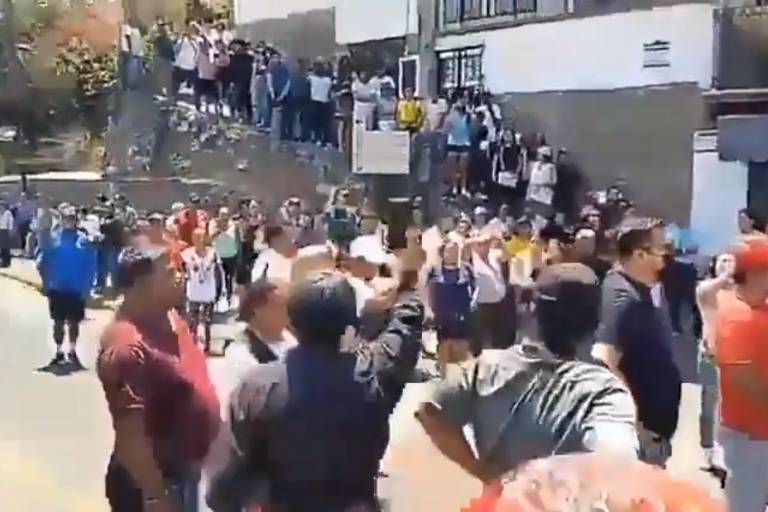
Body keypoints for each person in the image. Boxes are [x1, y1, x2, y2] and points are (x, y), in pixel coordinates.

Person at [209, 268, 424, 511]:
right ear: (348, 324)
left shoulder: (256, 386)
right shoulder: (373, 374)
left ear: (291, 321)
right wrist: (407, 293)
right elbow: (403, 334)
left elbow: (232, 477)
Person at [418, 263, 638, 489]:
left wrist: (479, 471)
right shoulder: (602, 390)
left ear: (536, 312)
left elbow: (430, 412)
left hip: (503, 498)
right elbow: (617, 462)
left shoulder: (484, 367)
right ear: (596, 320)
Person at [97, 247, 220, 512]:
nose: (181, 276)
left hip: (186, 474)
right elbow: (131, 434)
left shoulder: (172, 319)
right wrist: (154, 496)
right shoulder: (126, 347)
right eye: (170, 272)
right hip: (157, 484)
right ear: (142, 282)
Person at [592, 218, 682, 467]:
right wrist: (634, 421)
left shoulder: (636, 290)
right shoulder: (624, 299)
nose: (667, 257)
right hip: (641, 437)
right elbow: (603, 357)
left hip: (650, 431)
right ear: (640, 255)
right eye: (662, 250)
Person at [712, 240, 768, 512]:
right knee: (746, 506)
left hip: (760, 433)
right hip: (750, 437)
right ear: (756, 274)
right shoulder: (737, 316)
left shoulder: (758, 308)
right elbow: (740, 374)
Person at [38, 206, 97, 367]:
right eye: (66, 218)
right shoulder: (54, 239)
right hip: (57, 288)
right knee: (58, 322)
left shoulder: (83, 241)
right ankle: (58, 351)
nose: (69, 221)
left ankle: (72, 350)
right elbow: (43, 262)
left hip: (76, 289)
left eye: (72, 218)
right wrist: (46, 283)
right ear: (62, 220)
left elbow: (90, 266)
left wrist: (87, 288)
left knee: (74, 323)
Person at [695, 252, 734, 483]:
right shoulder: (706, 289)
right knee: (710, 404)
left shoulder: (742, 292)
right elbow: (708, 290)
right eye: (723, 261)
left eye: (731, 260)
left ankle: (727, 452)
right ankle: (709, 448)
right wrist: (728, 276)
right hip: (710, 355)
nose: (728, 264)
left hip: (736, 356)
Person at [427, 240, 474, 374]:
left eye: (455, 250)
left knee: (462, 356)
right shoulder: (434, 271)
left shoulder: (466, 270)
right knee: (444, 353)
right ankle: (444, 379)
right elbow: (428, 291)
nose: (453, 253)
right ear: (442, 253)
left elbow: (474, 289)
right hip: (443, 319)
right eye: (449, 250)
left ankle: (461, 380)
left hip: (462, 318)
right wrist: (429, 310)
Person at [182, 228, 219, 353]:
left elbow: (217, 271)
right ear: (192, 239)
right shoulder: (187, 254)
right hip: (194, 291)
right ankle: (191, 345)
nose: (199, 240)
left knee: (207, 319)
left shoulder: (212, 253)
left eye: (202, 237)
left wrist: (220, 291)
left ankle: (207, 345)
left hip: (208, 291)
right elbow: (185, 270)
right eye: (197, 237)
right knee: (193, 319)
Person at [209, 207, 238, 308]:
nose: (225, 217)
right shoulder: (214, 223)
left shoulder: (232, 224)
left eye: (226, 215)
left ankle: (229, 299)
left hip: (231, 254)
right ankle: (216, 300)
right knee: (218, 278)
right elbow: (211, 236)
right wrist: (220, 230)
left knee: (230, 278)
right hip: (219, 255)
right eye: (223, 215)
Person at [267, 54, 291, 147]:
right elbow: (287, 83)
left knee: (273, 113)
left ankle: (274, 132)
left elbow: (270, 82)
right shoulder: (285, 70)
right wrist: (282, 95)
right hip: (280, 94)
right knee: (280, 114)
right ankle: (278, 132)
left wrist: (274, 94)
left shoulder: (273, 69)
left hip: (276, 94)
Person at [227, 40, 254, 124]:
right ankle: (239, 115)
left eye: (237, 46)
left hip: (246, 81)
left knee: (245, 100)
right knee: (236, 99)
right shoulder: (233, 58)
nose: (236, 48)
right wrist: (230, 81)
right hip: (237, 81)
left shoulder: (249, 58)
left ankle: (247, 117)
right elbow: (231, 70)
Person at [307, 60, 333, 145]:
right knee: (320, 122)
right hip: (320, 101)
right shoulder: (326, 80)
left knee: (320, 122)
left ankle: (320, 138)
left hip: (319, 102)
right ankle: (321, 138)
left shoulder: (312, 78)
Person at [172, 28, 199, 97]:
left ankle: (174, 95)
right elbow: (197, 52)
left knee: (177, 82)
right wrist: (195, 61)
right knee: (193, 79)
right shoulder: (194, 42)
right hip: (189, 66)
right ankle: (192, 91)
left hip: (181, 65)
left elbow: (175, 50)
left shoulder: (182, 41)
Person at [0, 200, 13, 267]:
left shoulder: (8, 213)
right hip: (0, 230)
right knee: (1, 247)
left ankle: (7, 262)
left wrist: (10, 230)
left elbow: (10, 222)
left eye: (2, 206)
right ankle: (3, 261)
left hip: (5, 230)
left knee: (5, 247)